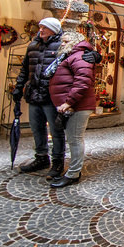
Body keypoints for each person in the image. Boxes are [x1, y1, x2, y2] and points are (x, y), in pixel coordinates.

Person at [12, 17, 66, 179]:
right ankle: (41, 157)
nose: (40, 30)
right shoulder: (33, 45)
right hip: (34, 93)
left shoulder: (61, 46)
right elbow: (24, 69)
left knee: (56, 131)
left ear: (53, 30)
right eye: (40, 27)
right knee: (37, 128)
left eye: (44, 28)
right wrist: (19, 87)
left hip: (51, 96)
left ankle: (58, 161)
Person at [48, 32, 97, 188]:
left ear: (75, 42)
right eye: (62, 42)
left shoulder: (80, 56)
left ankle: (73, 173)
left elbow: (82, 81)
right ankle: (73, 171)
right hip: (73, 105)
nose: (62, 44)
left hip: (78, 105)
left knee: (75, 139)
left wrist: (68, 102)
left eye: (66, 41)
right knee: (73, 139)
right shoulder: (71, 56)